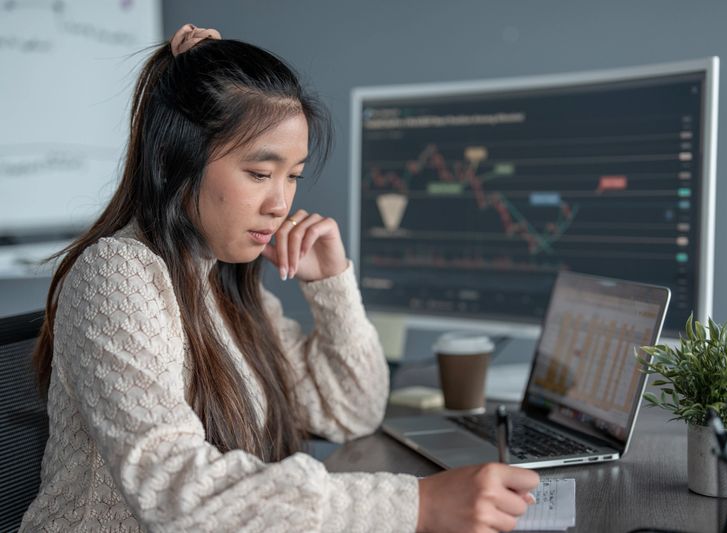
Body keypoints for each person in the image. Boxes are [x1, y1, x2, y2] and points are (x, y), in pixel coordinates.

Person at [21, 24, 540, 533]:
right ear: (172, 159)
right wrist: (418, 507)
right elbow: (179, 494)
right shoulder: (117, 275)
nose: (280, 204)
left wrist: (331, 281)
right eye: (259, 173)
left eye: (292, 176)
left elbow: (349, 411)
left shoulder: (225, 286)